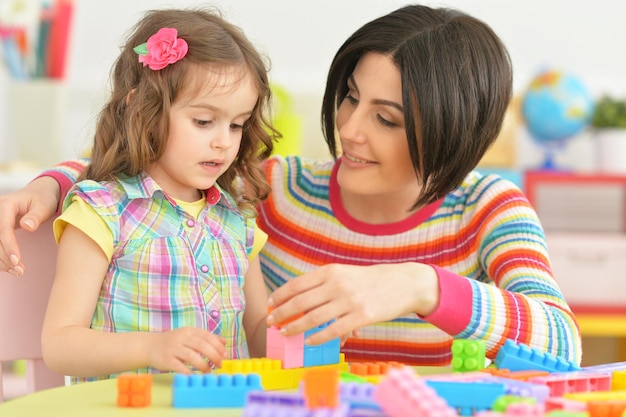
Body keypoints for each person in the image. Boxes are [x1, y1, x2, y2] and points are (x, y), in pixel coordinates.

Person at [0, 4, 582, 367]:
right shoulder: (269, 189)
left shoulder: (489, 209)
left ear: (453, 132)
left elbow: (562, 342)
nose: (349, 130)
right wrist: (51, 185)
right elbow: (146, 175)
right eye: (350, 97)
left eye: (386, 119)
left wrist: (418, 287)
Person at [36, 7, 276, 382]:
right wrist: (152, 347)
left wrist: (302, 333)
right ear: (142, 109)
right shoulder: (102, 212)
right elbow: (60, 345)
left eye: (237, 125)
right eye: (203, 121)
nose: (223, 141)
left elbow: (259, 332)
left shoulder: (237, 219)